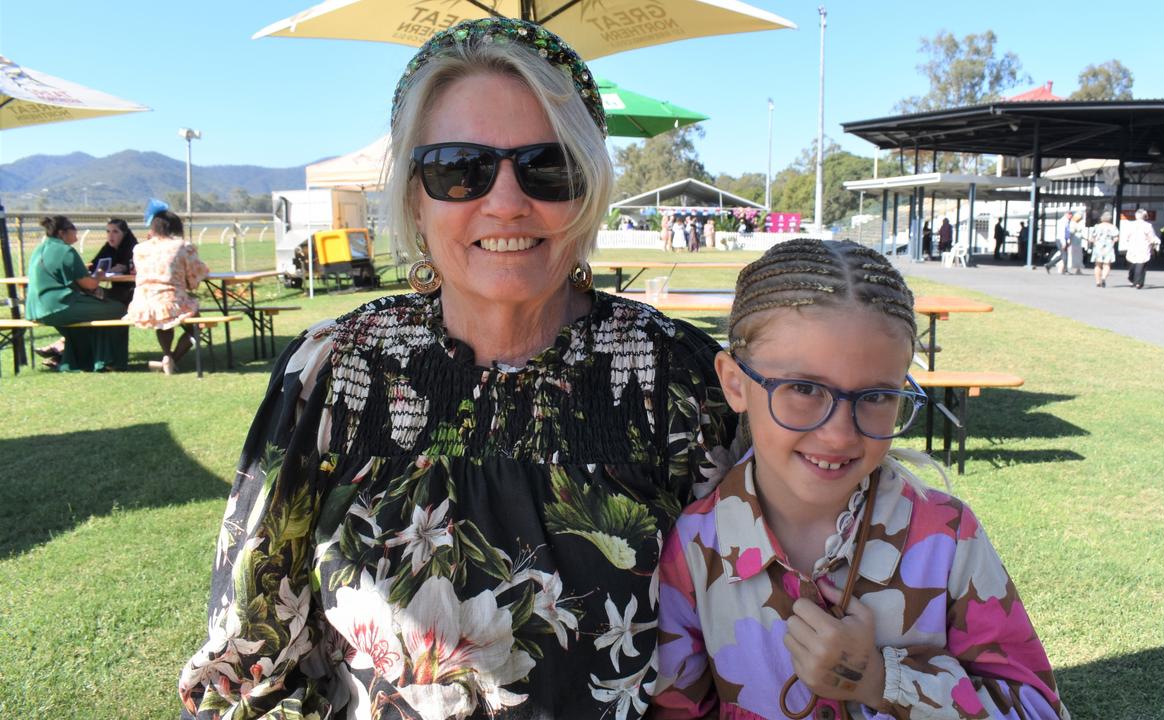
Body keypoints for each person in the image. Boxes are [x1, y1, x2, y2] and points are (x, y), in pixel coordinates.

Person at [178, 18, 736, 719]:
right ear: (415, 195)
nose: (505, 201)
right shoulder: (336, 373)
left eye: (548, 166)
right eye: (458, 168)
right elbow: (256, 649)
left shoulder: (679, 381)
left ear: (588, 187)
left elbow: (752, 641)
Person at [653, 239, 1068, 720]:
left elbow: (1040, 709)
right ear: (735, 383)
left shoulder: (947, 538)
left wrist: (880, 679)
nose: (838, 434)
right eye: (803, 389)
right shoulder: (695, 549)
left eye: (875, 396)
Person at [25, 215, 129, 371]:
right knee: (118, 309)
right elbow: (90, 284)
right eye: (73, 229)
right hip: (58, 306)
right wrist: (99, 275)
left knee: (98, 312)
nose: (76, 232)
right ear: (62, 233)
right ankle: (109, 361)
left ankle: (86, 360)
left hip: (34, 309)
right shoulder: (66, 251)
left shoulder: (39, 249)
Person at [123, 210, 209, 374]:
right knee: (197, 326)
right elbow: (194, 279)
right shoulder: (183, 246)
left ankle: (167, 355)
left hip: (142, 304)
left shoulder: (139, 249)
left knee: (163, 323)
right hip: (172, 300)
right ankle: (172, 359)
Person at [87, 218, 139, 305]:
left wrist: (123, 268)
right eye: (108, 231)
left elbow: (126, 267)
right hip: (117, 290)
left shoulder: (134, 248)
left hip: (132, 291)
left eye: (115, 232)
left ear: (124, 233)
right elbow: (94, 264)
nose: (110, 235)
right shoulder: (108, 247)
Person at [1123, 208, 1160, 289]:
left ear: (1136, 216)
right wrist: (1154, 243)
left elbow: (1127, 236)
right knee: (1141, 265)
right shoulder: (1148, 226)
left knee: (1133, 264)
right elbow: (1152, 237)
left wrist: (1127, 242)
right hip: (1143, 247)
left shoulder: (1130, 224)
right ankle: (1138, 282)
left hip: (1133, 246)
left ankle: (1134, 280)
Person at [1088, 211, 1120, 287]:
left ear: (1102, 218)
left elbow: (1092, 238)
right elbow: (1116, 238)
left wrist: (1094, 241)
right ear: (1110, 219)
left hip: (1098, 246)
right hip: (1108, 247)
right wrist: (1112, 241)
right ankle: (1103, 278)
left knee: (1098, 265)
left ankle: (1097, 282)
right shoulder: (1113, 227)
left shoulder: (1097, 226)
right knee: (1107, 264)